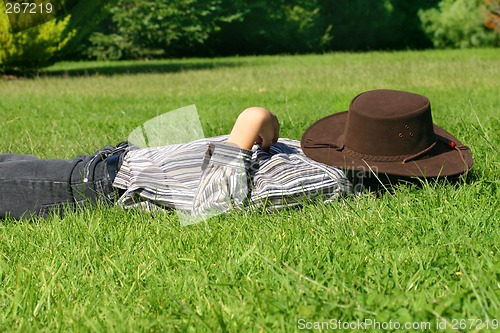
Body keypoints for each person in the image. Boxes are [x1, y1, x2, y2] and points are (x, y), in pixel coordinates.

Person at [0, 89, 473, 220]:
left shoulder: (329, 182)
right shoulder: (327, 157)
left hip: (92, 188)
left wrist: (248, 123)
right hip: (106, 163)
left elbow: (216, 202)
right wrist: (266, 128)